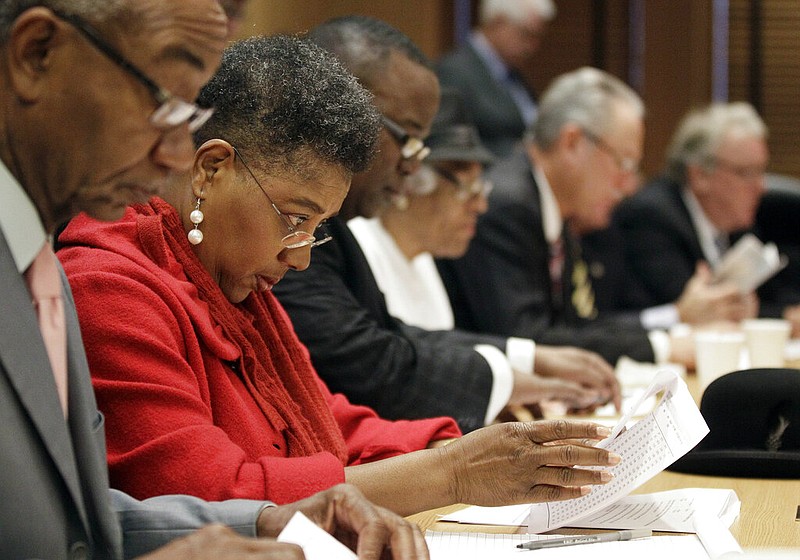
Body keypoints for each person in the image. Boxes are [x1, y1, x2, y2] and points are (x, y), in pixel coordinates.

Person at [58, 33, 619, 520]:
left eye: (317, 228)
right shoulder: (108, 286)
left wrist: (480, 448)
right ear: (212, 168)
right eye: (295, 219)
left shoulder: (227, 275)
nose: (300, 257)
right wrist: (453, 472)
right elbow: (211, 499)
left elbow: (327, 423)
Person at [0, 2, 428, 560]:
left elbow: (81, 520)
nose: (175, 153)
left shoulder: (43, 265)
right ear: (38, 54)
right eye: (164, 105)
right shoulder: (99, 277)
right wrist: (449, 472)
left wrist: (265, 522)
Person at [272, 15, 620, 435]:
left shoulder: (335, 225)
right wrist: (501, 388)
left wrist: (524, 360)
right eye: (409, 138)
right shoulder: (290, 217)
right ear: (339, 112)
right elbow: (363, 363)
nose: (412, 163)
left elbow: (392, 335)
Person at [349, 87, 608, 409]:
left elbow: (441, 353)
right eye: (468, 189)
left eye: (481, 187)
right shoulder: (361, 250)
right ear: (411, 181)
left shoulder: (426, 260)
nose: (482, 205)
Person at [437, 67, 695, 367]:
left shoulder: (557, 210)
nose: (627, 186)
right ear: (572, 142)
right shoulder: (507, 206)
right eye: (623, 163)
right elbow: (529, 339)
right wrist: (661, 348)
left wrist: (667, 329)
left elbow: (579, 325)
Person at [611, 102, 784, 322]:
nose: (762, 187)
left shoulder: (736, 221)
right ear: (700, 175)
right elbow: (696, 309)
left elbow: (770, 297)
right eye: (747, 173)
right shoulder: (652, 219)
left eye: (762, 171)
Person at [437, 0, 555, 159]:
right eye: (526, 34)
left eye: (538, 37)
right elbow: (448, 144)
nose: (533, 46)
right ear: (497, 22)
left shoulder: (515, 75)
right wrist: (523, 152)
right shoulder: (454, 72)